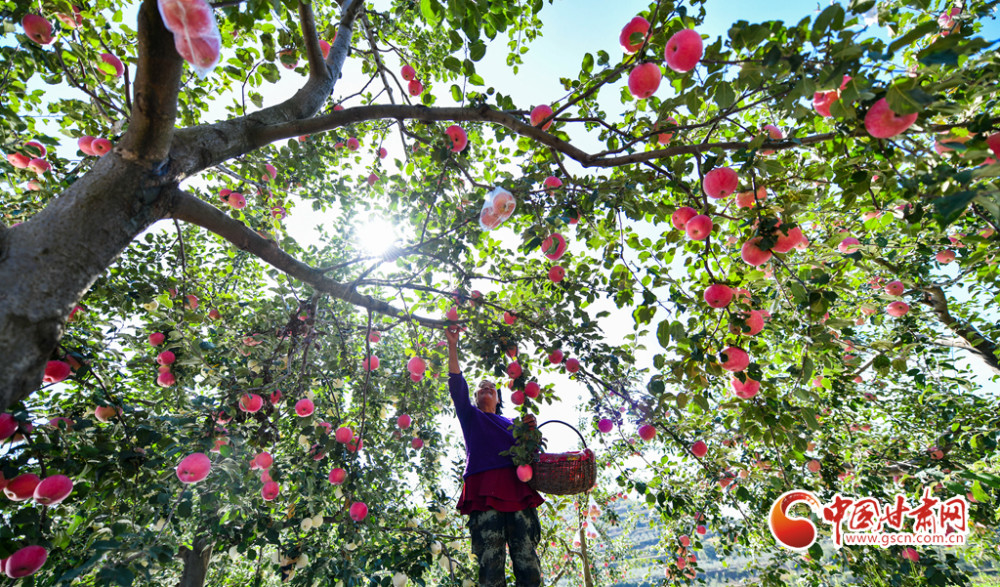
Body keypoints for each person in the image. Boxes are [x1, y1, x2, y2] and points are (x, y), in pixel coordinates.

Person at [445, 326, 544, 587]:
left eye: (491, 387)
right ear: (476, 398)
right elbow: (456, 384)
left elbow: (531, 454)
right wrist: (453, 345)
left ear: (498, 397)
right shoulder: (470, 416)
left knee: (528, 563)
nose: (486, 388)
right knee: (490, 565)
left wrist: (531, 431)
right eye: (481, 388)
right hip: (485, 493)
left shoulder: (513, 423)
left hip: (517, 490)